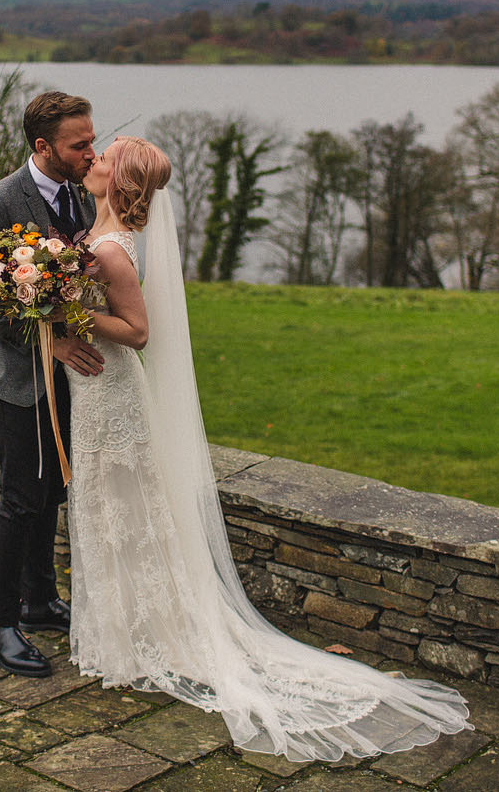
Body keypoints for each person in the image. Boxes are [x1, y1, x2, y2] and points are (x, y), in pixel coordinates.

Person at [66, 135, 472, 761]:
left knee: (126, 511)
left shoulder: (110, 253)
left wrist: (70, 311)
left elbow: (139, 333)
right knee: (109, 508)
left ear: (120, 181)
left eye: (104, 156)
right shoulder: (91, 240)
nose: (92, 160)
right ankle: (122, 634)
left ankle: (142, 639)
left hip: (113, 394)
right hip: (93, 391)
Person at [0, 91, 106, 678]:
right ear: (44, 147)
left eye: (92, 139)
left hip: (76, 378)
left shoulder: (79, 193)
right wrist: (49, 342)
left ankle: (40, 600)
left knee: (54, 491)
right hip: (18, 377)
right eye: (80, 144)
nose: (91, 152)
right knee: (21, 498)